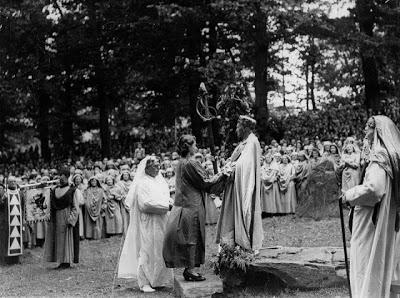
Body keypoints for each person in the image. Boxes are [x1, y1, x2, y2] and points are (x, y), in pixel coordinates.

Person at [342, 116, 400, 297]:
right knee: (380, 259)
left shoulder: (379, 157)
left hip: (371, 219)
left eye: (368, 127)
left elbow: (375, 189)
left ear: (378, 131)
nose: (364, 131)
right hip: (384, 217)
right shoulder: (393, 156)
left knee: (366, 260)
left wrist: (349, 195)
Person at [163, 135, 227, 281]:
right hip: (192, 204)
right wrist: (223, 175)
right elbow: (205, 182)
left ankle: (189, 268)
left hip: (185, 203)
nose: (196, 146)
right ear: (189, 147)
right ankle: (190, 270)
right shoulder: (191, 163)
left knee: (189, 236)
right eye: (195, 144)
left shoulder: (181, 162)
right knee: (193, 236)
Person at [118, 156, 173, 293]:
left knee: (161, 250)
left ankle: (158, 280)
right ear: (146, 168)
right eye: (154, 165)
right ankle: (145, 282)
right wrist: (166, 206)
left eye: (158, 165)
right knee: (147, 249)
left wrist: (170, 202)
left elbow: (165, 196)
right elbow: (145, 204)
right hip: (148, 221)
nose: (158, 168)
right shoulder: (142, 183)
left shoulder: (160, 180)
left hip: (162, 220)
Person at [216, 115, 264, 252]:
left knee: (243, 213)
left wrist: (230, 169)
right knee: (230, 214)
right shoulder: (244, 142)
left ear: (246, 128)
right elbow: (236, 161)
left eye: (238, 127)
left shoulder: (252, 142)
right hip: (234, 184)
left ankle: (242, 243)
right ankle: (230, 244)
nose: (237, 129)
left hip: (241, 185)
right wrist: (227, 166)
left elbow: (246, 166)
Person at [44, 167, 80, 269]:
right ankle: (60, 261)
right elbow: (49, 203)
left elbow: (75, 207)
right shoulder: (55, 190)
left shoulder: (72, 190)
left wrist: (71, 219)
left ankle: (67, 261)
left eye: (63, 177)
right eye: (60, 176)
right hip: (57, 218)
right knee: (58, 240)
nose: (61, 178)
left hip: (67, 217)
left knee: (67, 240)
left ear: (68, 177)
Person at [0, 177, 24, 264]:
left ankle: (16, 259)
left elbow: (23, 207)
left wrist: (23, 220)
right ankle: (7, 259)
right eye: (11, 181)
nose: (13, 183)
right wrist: (2, 199)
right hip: (7, 221)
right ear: (8, 183)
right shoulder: (4, 193)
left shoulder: (20, 193)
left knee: (17, 239)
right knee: (8, 240)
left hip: (18, 221)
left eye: (14, 181)